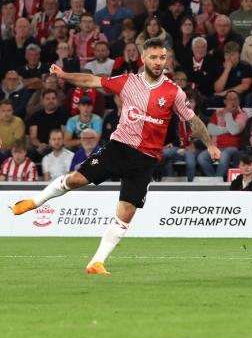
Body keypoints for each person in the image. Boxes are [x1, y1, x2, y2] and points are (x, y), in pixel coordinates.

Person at [11, 38, 220, 275]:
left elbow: (192, 120)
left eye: (162, 57)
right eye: (153, 57)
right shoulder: (128, 82)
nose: (158, 62)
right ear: (143, 58)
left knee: (127, 212)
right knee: (76, 180)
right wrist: (64, 75)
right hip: (119, 148)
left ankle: (96, 262)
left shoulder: (174, 91)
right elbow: (91, 81)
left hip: (145, 159)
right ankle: (36, 201)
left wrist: (210, 144)